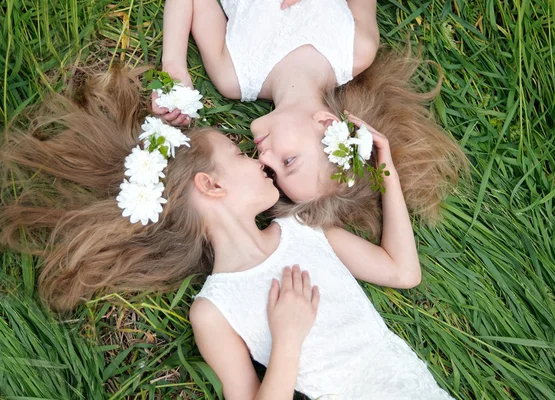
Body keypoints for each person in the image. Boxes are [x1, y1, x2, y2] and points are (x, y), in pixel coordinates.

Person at [1, 68, 452, 399]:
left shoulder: (306, 230)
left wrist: (384, 169)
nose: (262, 161)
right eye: (240, 155)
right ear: (211, 185)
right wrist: (287, 340)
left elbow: (402, 271)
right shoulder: (214, 312)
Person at [154, 0, 468, 240]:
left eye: (272, 172)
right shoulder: (356, 49)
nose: (264, 158)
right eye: (288, 161)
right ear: (328, 125)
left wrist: (174, 67)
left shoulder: (234, 76)